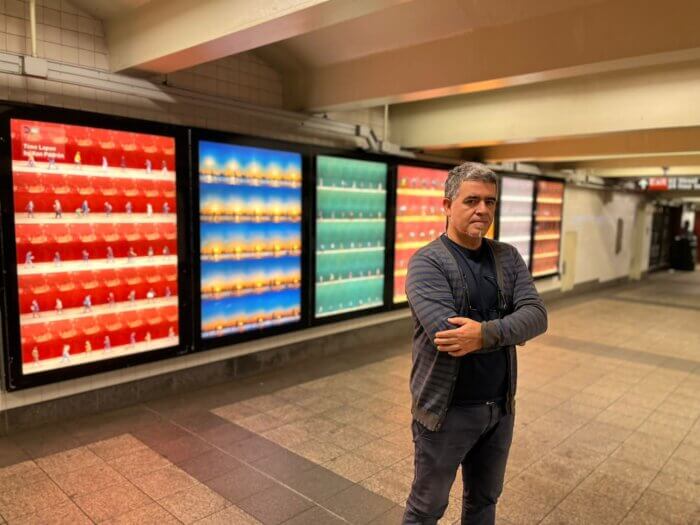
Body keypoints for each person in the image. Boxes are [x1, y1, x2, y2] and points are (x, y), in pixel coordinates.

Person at [403, 162, 547, 525]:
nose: (482, 210)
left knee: (484, 502)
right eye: (471, 200)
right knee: (426, 509)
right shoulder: (426, 263)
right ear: (447, 205)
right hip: (445, 413)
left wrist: (483, 334)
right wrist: (509, 328)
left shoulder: (508, 257)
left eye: (489, 201)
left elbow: (536, 316)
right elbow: (448, 335)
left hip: (499, 409)